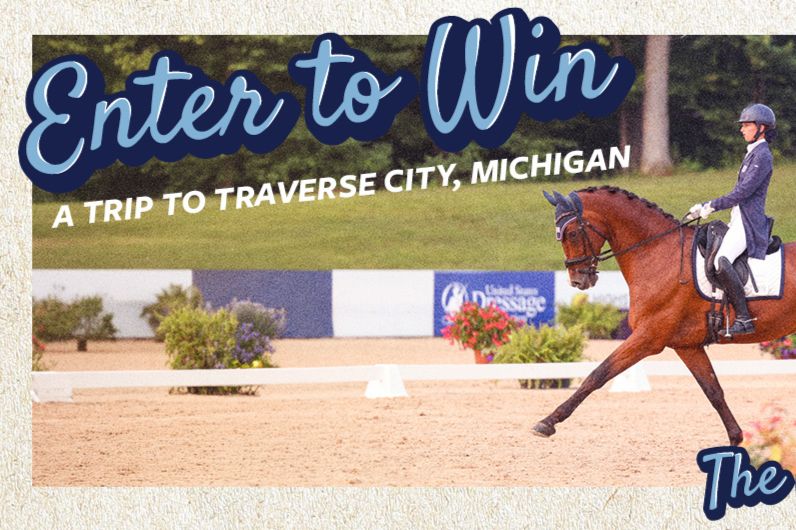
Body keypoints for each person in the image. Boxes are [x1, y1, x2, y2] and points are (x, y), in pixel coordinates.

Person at [686, 103, 776, 337]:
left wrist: (709, 206)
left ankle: (744, 318)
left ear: (761, 128)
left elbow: (742, 192)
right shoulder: (752, 153)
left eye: (746, 125)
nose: (741, 129)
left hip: (749, 223)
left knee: (722, 259)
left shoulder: (762, 155)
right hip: (738, 219)